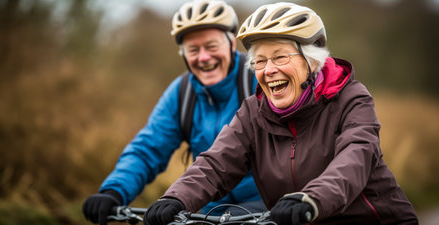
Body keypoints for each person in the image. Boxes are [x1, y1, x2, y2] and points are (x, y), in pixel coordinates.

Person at [143, 2, 419, 225]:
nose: (268, 70)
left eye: (280, 57)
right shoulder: (254, 112)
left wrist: (311, 199)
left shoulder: (351, 99)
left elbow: (355, 158)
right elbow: (217, 164)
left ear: (313, 60)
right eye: (260, 61)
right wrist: (176, 199)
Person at [82, 1, 266, 225]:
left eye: (211, 46)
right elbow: (148, 147)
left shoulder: (260, 77)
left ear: (231, 42)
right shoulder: (182, 93)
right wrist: (113, 191)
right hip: (207, 204)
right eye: (193, 49)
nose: (204, 57)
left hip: (265, 201)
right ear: (183, 53)